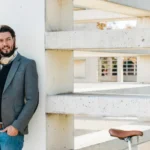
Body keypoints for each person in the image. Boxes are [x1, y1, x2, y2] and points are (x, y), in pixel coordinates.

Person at [0, 25, 39, 150]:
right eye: (1, 41)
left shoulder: (27, 64)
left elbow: (32, 100)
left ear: (14, 40)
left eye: (8, 39)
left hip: (10, 135)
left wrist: (16, 126)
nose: (5, 44)